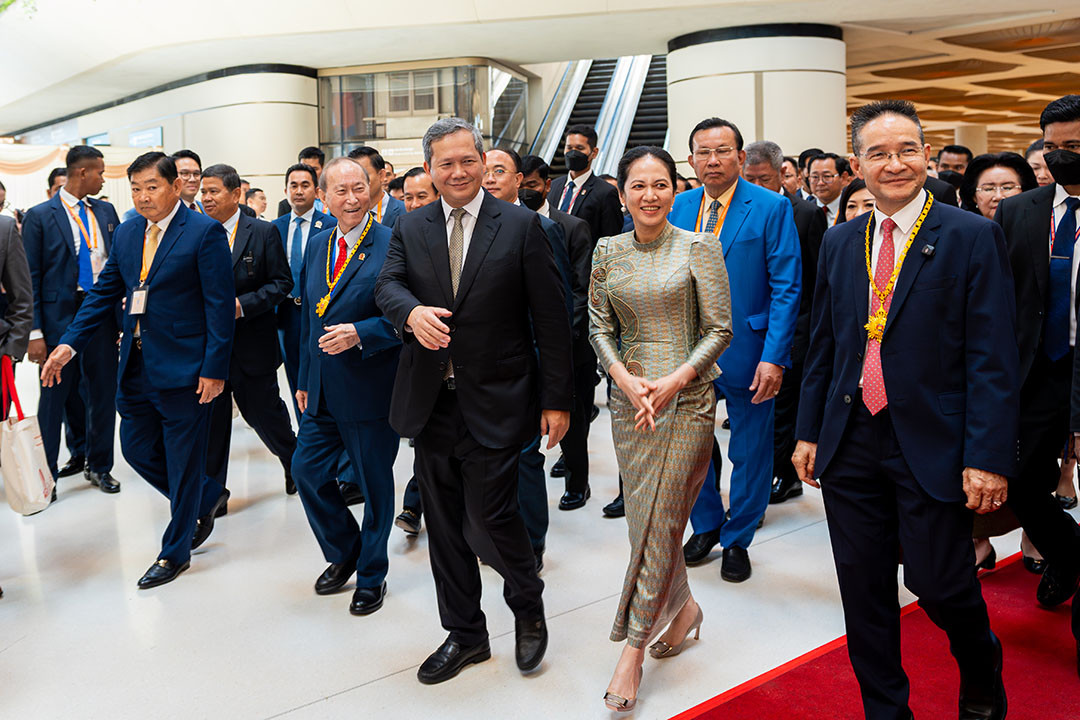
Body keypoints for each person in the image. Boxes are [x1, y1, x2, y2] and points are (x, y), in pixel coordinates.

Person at [793, 99, 1016, 720]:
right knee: (863, 592)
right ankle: (886, 711)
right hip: (851, 440)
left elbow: (993, 357)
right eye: (878, 154)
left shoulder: (972, 235)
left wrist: (988, 457)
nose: (895, 164)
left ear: (926, 154)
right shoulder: (840, 242)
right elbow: (825, 345)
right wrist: (809, 430)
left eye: (907, 151)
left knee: (940, 582)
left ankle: (980, 665)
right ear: (855, 165)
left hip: (934, 440)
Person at [375, 118, 572, 685]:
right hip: (431, 400)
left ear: (484, 163)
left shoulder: (520, 226)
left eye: (467, 161)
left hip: (501, 397)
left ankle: (527, 604)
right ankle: (465, 635)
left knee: (492, 517)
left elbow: (552, 321)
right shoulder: (410, 227)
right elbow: (386, 286)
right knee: (442, 524)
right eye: (445, 163)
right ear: (429, 169)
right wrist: (409, 313)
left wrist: (557, 400)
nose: (457, 172)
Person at [40, 151, 235, 589]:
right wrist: (69, 343)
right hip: (136, 364)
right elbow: (103, 292)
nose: (143, 196)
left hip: (187, 369)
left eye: (151, 186)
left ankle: (175, 551)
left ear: (172, 186)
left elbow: (220, 307)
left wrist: (214, 369)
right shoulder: (127, 233)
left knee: (184, 462)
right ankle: (204, 498)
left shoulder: (203, 233)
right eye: (135, 187)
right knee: (135, 447)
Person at [591, 145, 733, 712]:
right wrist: (625, 379)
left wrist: (674, 381)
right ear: (622, 193)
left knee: (663, 518)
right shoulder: (606, 249)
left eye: (661, 185)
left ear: (676, 190)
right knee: (646, 525)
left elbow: (719, 329)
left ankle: (631, 650)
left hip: (688, 399)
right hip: (630, 403)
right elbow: (599, 326)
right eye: (638, 185)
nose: (650, 195)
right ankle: (687, 607)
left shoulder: (700, 246)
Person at [672, 118, 801, 582]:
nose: (713, 160)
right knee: (693, 448)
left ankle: (739, 537)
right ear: (691, 160)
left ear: (740, 158)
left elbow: (787, 287)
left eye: (723, 151)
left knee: (750, 450)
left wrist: (774, 356)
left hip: (750, 350)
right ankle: (706, 525)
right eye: (703, 152)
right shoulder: (678, 206)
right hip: (688, 356)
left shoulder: (770, 207)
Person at [291, 156, 401, 617]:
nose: (352, 199)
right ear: (324, 197)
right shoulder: (317, 245)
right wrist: (302, 378)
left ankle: (372, 575)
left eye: (360, 188)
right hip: (321, 390)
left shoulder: (395, 244)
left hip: (370, 385)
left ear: (373, 188)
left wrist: (363, 332)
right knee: (307, 472)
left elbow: (409, 316)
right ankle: (345, 552)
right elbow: (306, 318)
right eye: (341, 191)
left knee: (375, 490)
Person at [997, 94, 1080, 679]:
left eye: (1073, 146)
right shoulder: (1020, 211)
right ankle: (1070, 554)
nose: (1060, 156)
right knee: (1024, 487)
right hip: (1037, 375)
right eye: (1053, 147)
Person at [482, 147, 573, 570]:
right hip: (480, 374)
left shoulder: (540, 227)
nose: (488, 178)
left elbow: (554, 314)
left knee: (524, 461)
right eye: (483, 171)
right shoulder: (466, 226)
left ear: (520, 179)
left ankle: (532, 544)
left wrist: (552, 390)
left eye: (498, 171)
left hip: (526, 369)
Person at [548, 124, 638, 515]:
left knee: (590, 395)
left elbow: (607, 242)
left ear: (594, 152)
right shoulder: (554, 188)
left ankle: (604, 479)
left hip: (590, 289)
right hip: (554, 289)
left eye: (579, 148)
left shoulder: (602, 193)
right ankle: (569, 456)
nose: (572, 153)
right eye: (568, 147)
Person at [22, 145, 121, 496]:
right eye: (100, 172)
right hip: (58, 319)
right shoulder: (40, 215)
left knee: (103, 392)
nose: (103, 178)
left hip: (101, 313)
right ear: (82, 173)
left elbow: (118, 266)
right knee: (53, 397)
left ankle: (100, 465)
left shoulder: (106, 211)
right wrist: (34, 332)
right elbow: (29, 277)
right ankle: (45, 476)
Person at [199, 164, 296, 505]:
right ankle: (213, 497)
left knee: (264, 415)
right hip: (209, 350)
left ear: (236, 193)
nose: (206, 198)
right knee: (212, 426)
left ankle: (292, 460)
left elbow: (282, 283)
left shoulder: (262, 232)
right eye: (203, 192)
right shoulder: (196, 232)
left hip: (252, 344)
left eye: (214, 191)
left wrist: (243, 305)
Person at [741, 141, 827, 506]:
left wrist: (802, 331)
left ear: (782, 174)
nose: (757, 187)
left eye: (765, 179)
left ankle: (785, 475)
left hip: (794, 327)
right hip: (751, 328)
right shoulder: (740, 210)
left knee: (785, 409)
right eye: (751, 179)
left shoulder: (804, 213)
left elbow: (815, 279)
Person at [521, 153, 596, 512]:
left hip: (571, 342)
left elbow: (581, 289)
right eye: (521, 185)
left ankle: (578, 482)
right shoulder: (512, 225)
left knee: (574, 413)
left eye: (532, 185)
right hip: (525, 342)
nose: (525, 191)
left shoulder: (572, 227)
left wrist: (563, 334)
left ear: (547, 185)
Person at [393, 167, 444, 538]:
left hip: (453, 359)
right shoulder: (404, 233)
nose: (411, 204)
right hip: (412, 356)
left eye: (420, 196)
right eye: (407, 197)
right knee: (424, 442)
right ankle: (415, 504)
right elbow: (388, 286)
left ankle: (415, 504)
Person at [272, 163, 337, 424]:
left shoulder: (331, 225)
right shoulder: (274, 228)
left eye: (305, 185)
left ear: (317, 191)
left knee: (320, 370)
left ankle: (324, 423)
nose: (299, 191)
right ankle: (305, 427)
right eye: (293, 186)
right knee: (294, 372)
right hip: (286, 312)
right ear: (286, 190)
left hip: (319, 311)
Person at [959, 152, 1038, 220]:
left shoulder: (1042, 231)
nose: (998, 197)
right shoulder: (963, 234)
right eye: (988, 189)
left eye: (1007, 188)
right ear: (974, 197)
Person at [347, 146, 405, 228]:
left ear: (381, 175)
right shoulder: (346, 214)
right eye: (352, 176)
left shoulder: (405, 212)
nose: (357, 182)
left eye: (364, 175)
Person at [277, 146, 327, 217]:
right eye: (305, 168)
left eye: (314, 169)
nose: (309, 172)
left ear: (322, 168)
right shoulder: (286, 205)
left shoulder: (333, 199)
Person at [808, 152, 852, 225]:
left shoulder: (851, 209)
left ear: (843, 177)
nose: (820, 183)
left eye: (827, 176)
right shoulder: (804, 211)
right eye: (815, 177)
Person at [171, 149, 206, 213]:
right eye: (185, 173)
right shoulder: (165, 212)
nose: (192, 179)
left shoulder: (207, 210)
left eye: (196, 174)